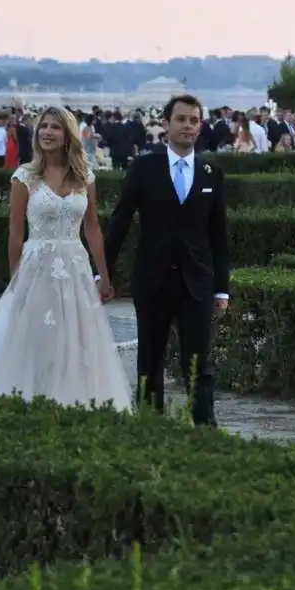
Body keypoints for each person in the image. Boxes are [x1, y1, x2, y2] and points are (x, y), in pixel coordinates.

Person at [0, 106, 131, 412]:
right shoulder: (24, 177)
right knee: (35, 334)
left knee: (75, 336)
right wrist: (15, 279)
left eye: (55, 127)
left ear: (67, 135)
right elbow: (15, 233)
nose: (47, 132)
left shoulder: (85, 176)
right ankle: (29, 398)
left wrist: (103, 275)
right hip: (36, 265)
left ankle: (72, 399)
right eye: (43, 127)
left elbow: (93, 229)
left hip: (74, 265)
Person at [104, 93, 230, 428]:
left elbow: (219, 235)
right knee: (149, 358)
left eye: (194, 121)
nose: (188, 126)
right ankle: (150, 424)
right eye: (181, 119)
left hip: (197, 282)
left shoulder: (211, 172)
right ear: (166, 124)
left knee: (199, 361)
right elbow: (120, 221)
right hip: (153, 279)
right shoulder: (144, 167)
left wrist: (222, 289)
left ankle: (204, 427)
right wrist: (102, 273)